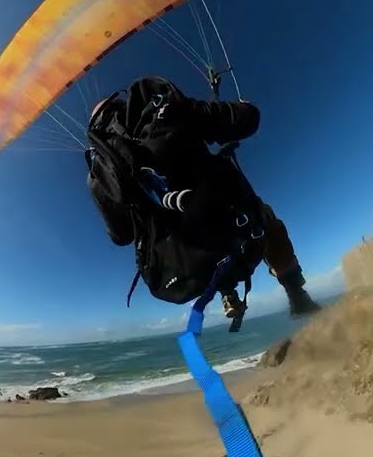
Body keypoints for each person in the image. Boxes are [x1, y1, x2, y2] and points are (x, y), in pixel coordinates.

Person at [85, 75, 321, 320]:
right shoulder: (166, 110)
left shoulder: (99, 178)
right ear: (122, 105)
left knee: (201, 236)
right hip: (235, 231)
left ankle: (226, 290)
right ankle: (297, 296)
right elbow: (246, 120)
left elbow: (121, 236)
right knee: (264, 220)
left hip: (182, 266)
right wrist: (245, 107)